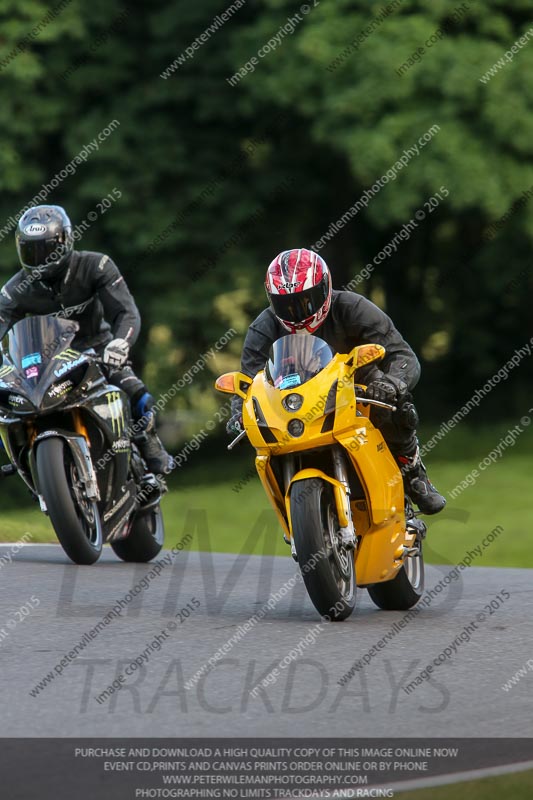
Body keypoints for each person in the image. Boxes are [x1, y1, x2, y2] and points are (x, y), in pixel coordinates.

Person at [226, 248, 445, 515]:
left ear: (326, 287)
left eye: (307, 300)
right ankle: (292, 509)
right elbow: (249, 381)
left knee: (398, 404)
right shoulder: (263, 327)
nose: (297, 311)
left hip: (356, 388)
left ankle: (413, 473)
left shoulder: (353, 307)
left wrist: (391, 384)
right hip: (293, 402)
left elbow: (402, 355)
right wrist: (239, 412)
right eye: (286, 304)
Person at [0, 204, 173, 474]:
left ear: (66, 241)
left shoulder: (96, 265)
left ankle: (148, 443)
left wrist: (121, 343)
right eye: (31, 251)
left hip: (98, 349)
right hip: (46, 364)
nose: (39, 259)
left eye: (47, 249)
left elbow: (126, 311)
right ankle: (24, 462)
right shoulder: (14, 290)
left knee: (137, 394)